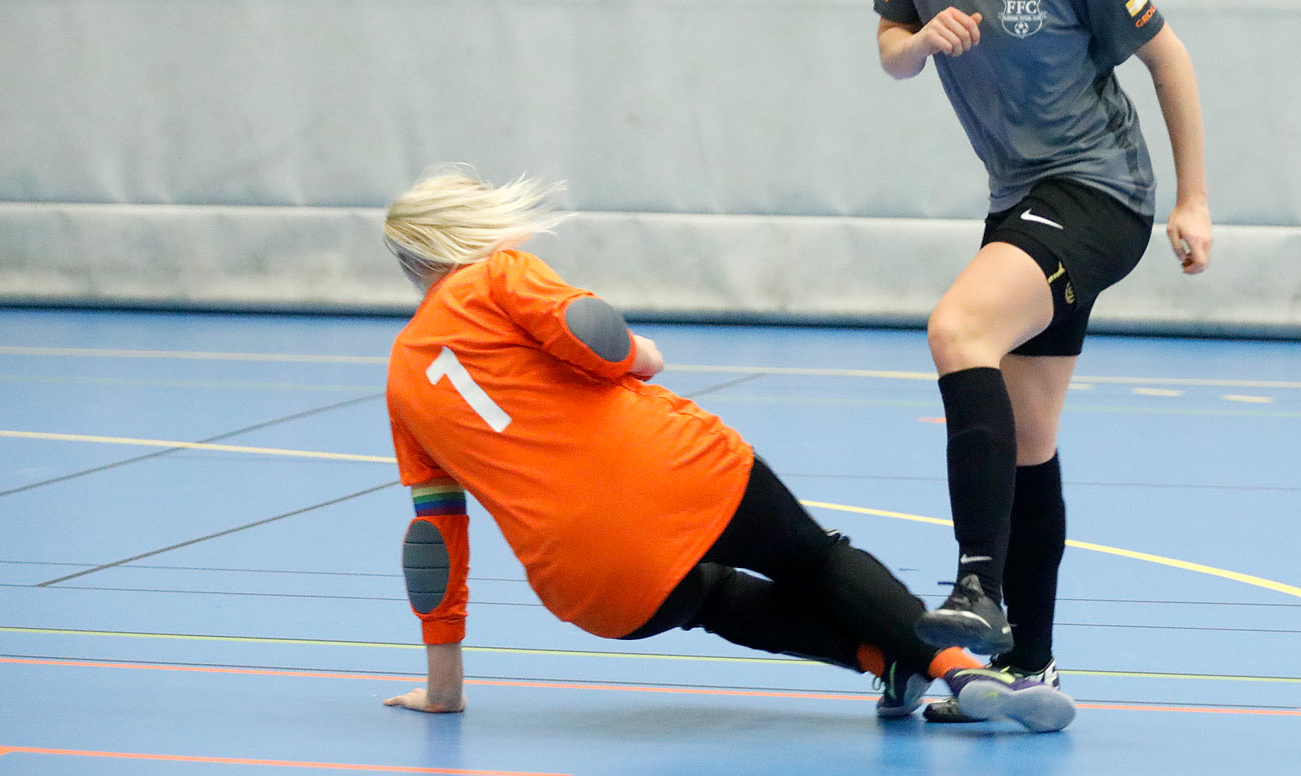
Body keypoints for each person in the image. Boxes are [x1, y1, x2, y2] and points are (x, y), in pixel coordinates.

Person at [376, 166, 1078, 732]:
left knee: (713, 598)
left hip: (587, 576)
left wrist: (444, 690)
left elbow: (434, 545)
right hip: (674, 470)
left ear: (413, 264)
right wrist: (640, 354)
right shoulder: (496, 275)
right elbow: (590, 330)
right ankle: (959, 669)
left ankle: (889, 664)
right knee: (812, 558)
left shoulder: (404, 378)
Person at [873, 0, 1213, 722]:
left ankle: (978, 587)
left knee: (958, 331)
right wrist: (921, 41)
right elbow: (892, 47)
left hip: (1101, 194)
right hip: (1020, 198)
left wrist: (1193, 201)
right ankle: (1032, 663)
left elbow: (1168, 57)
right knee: (1028, 436)